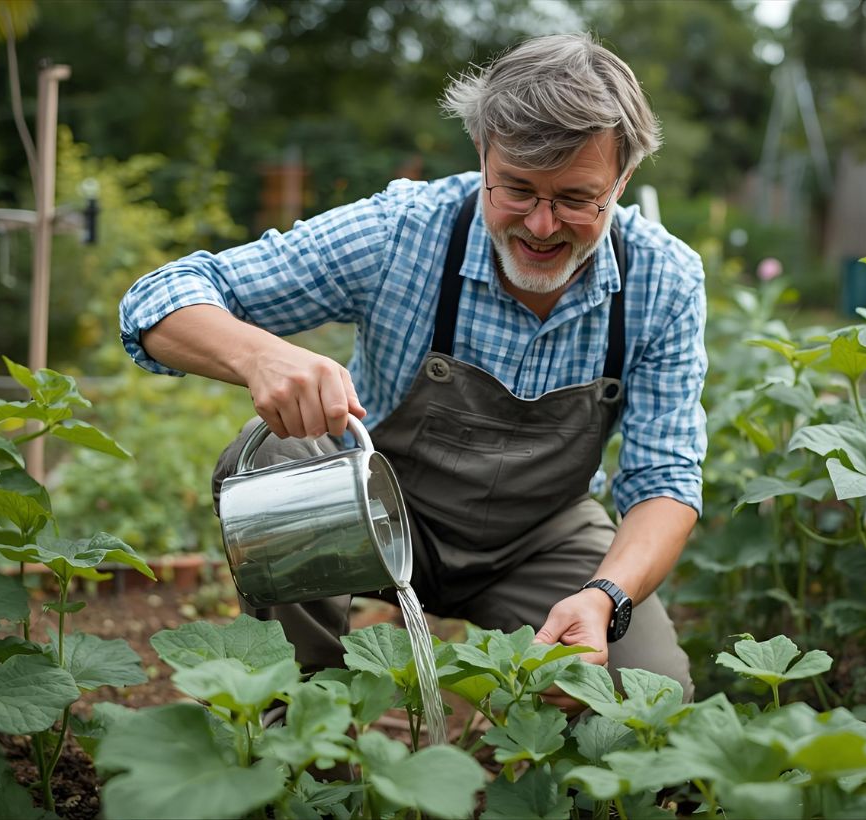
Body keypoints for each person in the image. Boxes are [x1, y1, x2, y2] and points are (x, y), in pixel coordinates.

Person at [118, 32, 707, 704]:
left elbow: (666, 478)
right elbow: (157, 299)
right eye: (517, 189)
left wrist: (605, 599)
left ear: (623, 179)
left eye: (576, 199)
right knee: (283, 457)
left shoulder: (663, 279)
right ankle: (303, 727)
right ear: (483, 152)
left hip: (541, 539)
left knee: (648, 695)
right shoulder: (404, 231)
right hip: (372, 513)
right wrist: (261, 354)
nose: (542, 226)